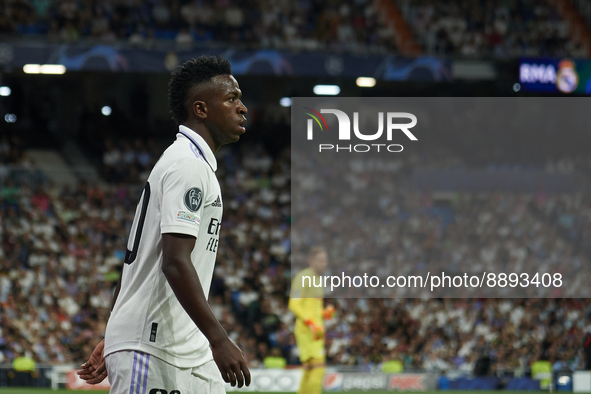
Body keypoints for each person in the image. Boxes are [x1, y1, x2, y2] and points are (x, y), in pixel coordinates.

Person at [77, 55, 250, 393]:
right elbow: (173, 261)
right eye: (232, 99)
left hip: (185, 345)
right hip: (151, 344)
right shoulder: (186, 166)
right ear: (201, 109)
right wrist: (220, 339)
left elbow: (133, 257)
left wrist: (112, 328)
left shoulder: (190, 162)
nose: (242, 107)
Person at [288, 246, 333, 394]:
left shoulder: (318, 279)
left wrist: (324, 313)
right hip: (308, 330)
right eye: (321, 261)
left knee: (309, 369)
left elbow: (312, 307)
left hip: (316, 329)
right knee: (319, 368)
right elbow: (293, 304)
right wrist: (311, 323)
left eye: (325, 261)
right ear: (311, 260)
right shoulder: (302, 277)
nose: (324, 264)